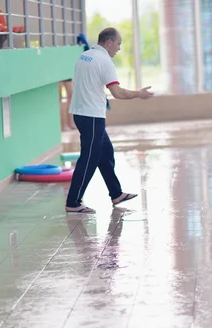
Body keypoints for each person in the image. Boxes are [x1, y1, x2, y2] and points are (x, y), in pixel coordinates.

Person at [65, 28, 154, 214]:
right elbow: (118, 93)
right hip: (92, 116)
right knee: (89, 159)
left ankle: (116, 193)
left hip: (81, 113)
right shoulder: (104, 60)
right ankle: (73, 202)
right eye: (118, 44)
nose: (119, 49)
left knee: (105, 152)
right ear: (108, 42)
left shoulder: (85, 56)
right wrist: (139, 94)